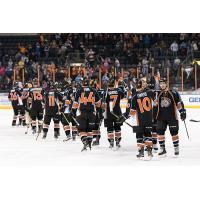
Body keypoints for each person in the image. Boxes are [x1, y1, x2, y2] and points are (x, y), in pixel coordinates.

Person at [119, 77, 155, 159]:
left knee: (139, 136)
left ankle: (141, 152)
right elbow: (155, 99)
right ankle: (149, 152)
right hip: (149, 118)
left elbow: (132, 111)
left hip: (138, 120)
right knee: (148, 134)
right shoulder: (149, 93)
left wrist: (124, 116)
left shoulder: (134, 97)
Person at [155, 78, 186, 156]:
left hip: (172, 117)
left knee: (174, 133)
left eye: (163, 83)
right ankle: (162, 149)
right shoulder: (158, 93)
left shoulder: (174, 93)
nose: (162, 85)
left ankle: (176, 148)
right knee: (159, 132)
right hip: (161, 117)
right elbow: (155, 104)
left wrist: (182, 111)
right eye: (160, 84)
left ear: (166, 84)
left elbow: (179, 103)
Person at [72, 77, 101, 151]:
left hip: (82, 113)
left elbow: (75, 103)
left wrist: (73, 112)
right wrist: (99, 112)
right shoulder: (94, 90)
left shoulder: (79, 91)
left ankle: (85, 141)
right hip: (92, 114)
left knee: (81, 129)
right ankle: (89, 143)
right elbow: (98, 104)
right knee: (89, 130)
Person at [102, 78, 126, 149]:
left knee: (109, 128)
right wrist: (123, 87)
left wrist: (103, 113)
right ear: (114, 84)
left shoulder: (106, 92)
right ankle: (118, 142)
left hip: (108, 112)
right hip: (117, 112)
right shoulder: (119, 91)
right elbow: (124, 95)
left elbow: (103, 104)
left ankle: (111, 142)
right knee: (117, 127)